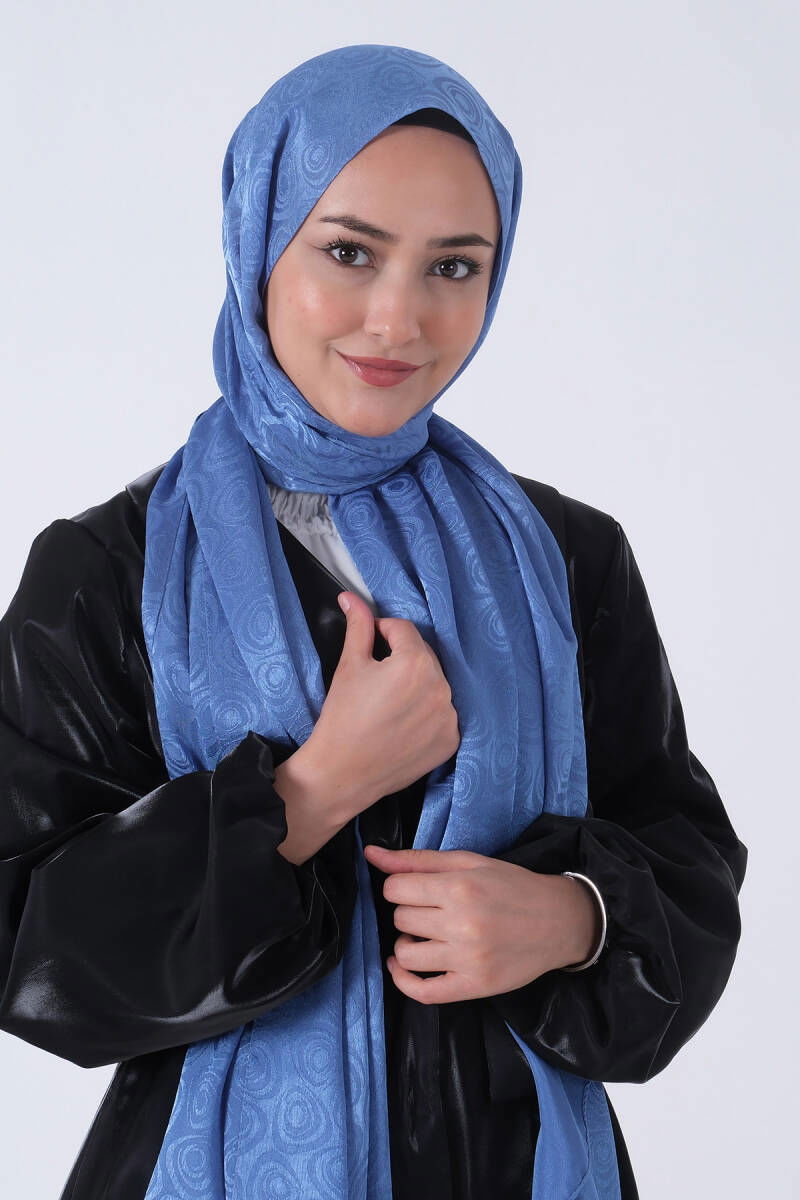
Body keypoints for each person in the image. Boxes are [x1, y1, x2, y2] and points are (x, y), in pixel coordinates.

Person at [0, 44, 746, 1200]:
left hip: (512, 1162)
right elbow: (28, 943)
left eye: (453, 265)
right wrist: (309, 792)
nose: (397, 318)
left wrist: (576, 918)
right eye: (348, 251)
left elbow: (686, 854)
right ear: (258, 243)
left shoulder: (563, 556)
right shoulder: (110, 571)